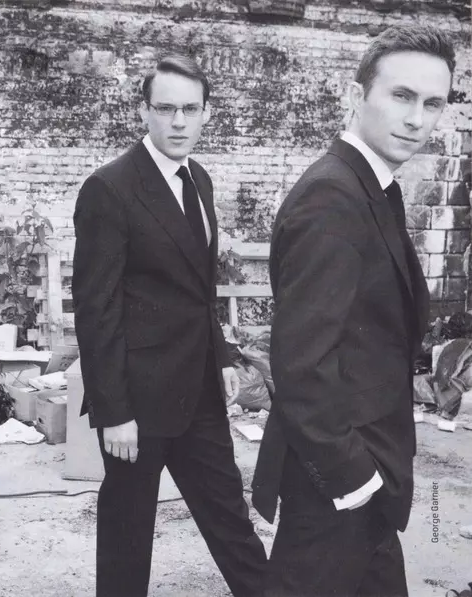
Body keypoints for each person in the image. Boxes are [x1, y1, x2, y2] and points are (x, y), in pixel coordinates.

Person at [252, 24, 455, 596]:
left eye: (432, 103)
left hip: (368, 475)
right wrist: (355, 480)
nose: (416, 118)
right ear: (356, 95)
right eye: (401, 95)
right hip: (339, 484)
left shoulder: (370, 186)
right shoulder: (333, 196)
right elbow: (301, 363)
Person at [72, 54, 266, 597]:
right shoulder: (109, 188)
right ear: (144, 112)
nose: (178, 122)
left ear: (206, 113)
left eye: (190, 109)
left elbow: (199, 288)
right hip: (137, 402)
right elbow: (96, 309)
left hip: (198, 389)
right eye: (165, 109)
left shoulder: (198, 179)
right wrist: (114, 412)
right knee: (128, 534)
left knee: (230, 517)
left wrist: (221, 357)